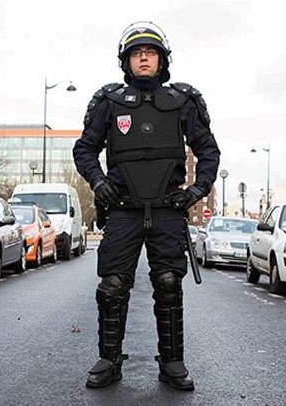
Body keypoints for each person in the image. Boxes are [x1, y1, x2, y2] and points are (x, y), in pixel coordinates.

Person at [73, 21, 220, 391]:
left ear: (161, 60)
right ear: (126, 61)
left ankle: (172, 363)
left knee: (169, 283)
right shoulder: (110, 102)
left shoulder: (182, 102)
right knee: (112, 286)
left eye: (150, 52)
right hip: (122, 208)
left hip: (169, 209)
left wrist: (196, 190)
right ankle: (109, 360)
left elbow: (208, 151)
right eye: (137, 53)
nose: (143, 58)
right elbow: (85, 148)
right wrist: (99, 182)